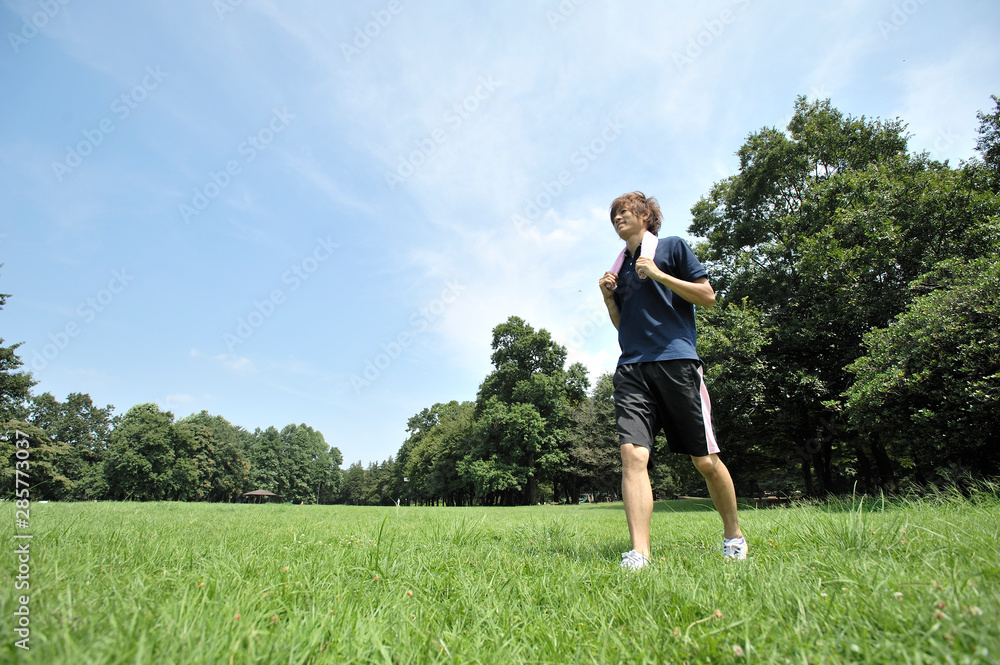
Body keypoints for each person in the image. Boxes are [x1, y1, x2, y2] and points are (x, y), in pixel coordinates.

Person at [598, 191, 747, 570]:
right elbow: (622, 325)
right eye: (614, 214)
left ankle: (733, 534)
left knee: (706, 461)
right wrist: (607, 298)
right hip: (632, 366)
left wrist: (660, 274)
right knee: (632, 455)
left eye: (625, 211)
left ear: (646, 216)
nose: (618, 217)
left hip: (677, 363)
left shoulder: (673, 248)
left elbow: (708, 296)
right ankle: (640, 553)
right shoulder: (619, 270)